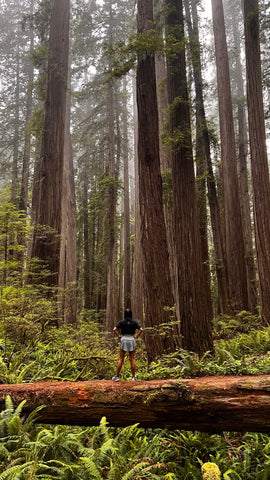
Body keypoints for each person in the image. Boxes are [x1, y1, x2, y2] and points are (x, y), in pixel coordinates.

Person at [112, 309, 143, 381]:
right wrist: (137, 336)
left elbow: (114, 329)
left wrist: (119, 335)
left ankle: (116, 376)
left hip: (124, 339)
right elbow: (141, 329)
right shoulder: (134, 322)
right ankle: (133, 377)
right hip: (132, 340)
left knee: (121, 358)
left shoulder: (122, 322)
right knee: (132, 359)